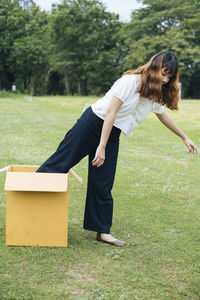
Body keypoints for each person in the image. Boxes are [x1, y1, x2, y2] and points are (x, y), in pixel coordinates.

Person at [37, 51, 198, 246]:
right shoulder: (129, 82)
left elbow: (163, 115)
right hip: (92, 124)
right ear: (154, 67)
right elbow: (111, 112)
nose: (165, 80)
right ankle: (29, 206)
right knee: (60, 163)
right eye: (163, 73)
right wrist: (101, 146)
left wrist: (185, 137)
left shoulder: (153, 92)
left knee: (103, 182)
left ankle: (102, 231)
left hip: (112, 134)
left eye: (169, 77)